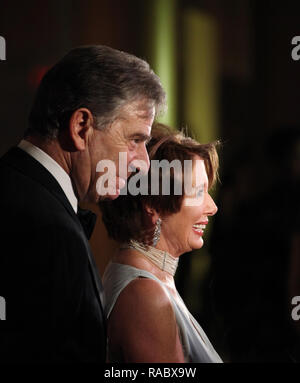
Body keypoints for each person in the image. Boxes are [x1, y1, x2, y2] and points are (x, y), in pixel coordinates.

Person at [0, 45, 165, 363]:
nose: (143, 164)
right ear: (81, 128)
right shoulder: (48, 230)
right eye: (135, 140)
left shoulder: (16, 188)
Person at [99, 124, 223, 362]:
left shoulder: (150, 281)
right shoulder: (145, 296)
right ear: (154, 205)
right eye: (198, 192)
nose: (212, 207)